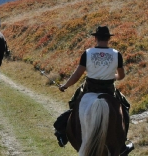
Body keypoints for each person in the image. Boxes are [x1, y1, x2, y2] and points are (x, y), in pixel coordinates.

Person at [53, 26, 134, 155]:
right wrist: (114, 76)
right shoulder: (116, 54)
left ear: (95, 38)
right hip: (109, 90)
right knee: (125, 107)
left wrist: (65, 85)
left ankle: (64, 135)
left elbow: (77, 74)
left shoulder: (88, 53)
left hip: (89, 88)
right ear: (108, 38)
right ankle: (122, 143)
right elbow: (121, 76)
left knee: (74, 104)